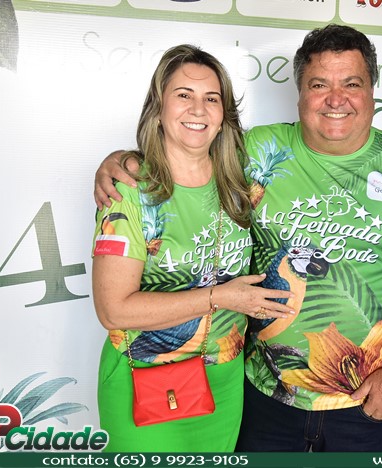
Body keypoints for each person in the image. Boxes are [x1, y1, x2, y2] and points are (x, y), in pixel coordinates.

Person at [94, 25, 382, 452]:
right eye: (319, 85)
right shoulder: (256, 152)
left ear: (372, 92)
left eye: (351, 84)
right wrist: (122, 162)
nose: (336, 99)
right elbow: (185, 149)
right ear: (300, 93)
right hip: (260, 394)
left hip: (363, 401)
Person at [91, 44, 293, 452]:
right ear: (158, 108)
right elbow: (113, 310)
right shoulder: (130, 189)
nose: (198, 109)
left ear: (223, 116)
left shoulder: (239, 184)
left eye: (211, 98)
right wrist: (220, 297)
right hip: (142, 381)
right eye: (184, 95)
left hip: (223, 382)